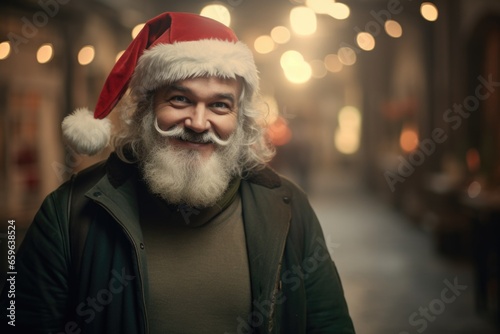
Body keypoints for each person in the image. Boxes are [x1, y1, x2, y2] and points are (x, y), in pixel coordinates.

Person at [0, 12, 355, 334]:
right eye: (180, 100)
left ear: (240, 120)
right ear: (145, 108)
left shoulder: (288, 207)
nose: (199, 123)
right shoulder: (67, 212)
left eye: (219, 105)